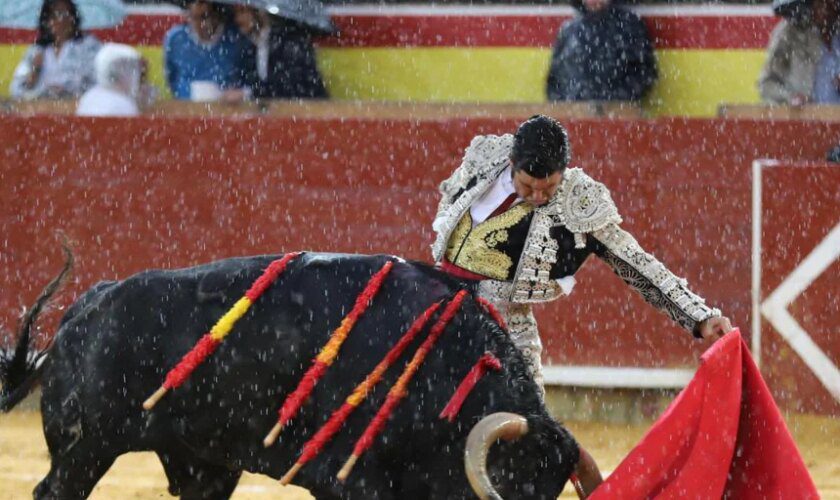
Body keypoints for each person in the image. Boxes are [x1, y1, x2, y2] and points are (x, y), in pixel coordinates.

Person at [431, 115, 732, 392]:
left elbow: (635, 262)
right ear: (512, 163)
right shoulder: (485, 161)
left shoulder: (577, 201)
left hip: (504, 327)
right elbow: (447, 208)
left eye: (548, 188)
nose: (537, 196)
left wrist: (699, 316)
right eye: (527, 186)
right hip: (440, 308)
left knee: (524, 426)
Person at [546, 0, 657, 102]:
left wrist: (616, 101)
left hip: (618, 116)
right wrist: (564, 106)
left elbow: (644, 72)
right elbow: (554, 80)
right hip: (574, 117)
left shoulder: (629, 26)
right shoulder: (569, 30)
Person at [229, 6, 328, 100]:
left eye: (242, 12)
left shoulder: (289, 41)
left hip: (308, 110)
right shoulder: (248, 47)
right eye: (235, 13)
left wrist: (248, 93)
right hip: (274, 112)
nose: (238, 19)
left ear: (260, 12)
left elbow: (289, 86)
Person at [9, 0, 101, 100]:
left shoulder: (89, 46)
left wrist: (68, 91)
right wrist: (35, 73)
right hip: (41, 109)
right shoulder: (36, 50)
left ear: (74, 17)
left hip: (78, 108)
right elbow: (15, 90)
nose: (63, 19)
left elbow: (100, 83)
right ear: (46, 21)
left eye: (67, 14)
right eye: (55, 15)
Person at [163, 0, 253, 100]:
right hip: (187, 110)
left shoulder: (236, 39)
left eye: (204, 17)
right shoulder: (175, 39)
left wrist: (242, 93)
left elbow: (250, 83)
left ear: (217, 15)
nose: (200, 24)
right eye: (194, 17)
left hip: (227, 110)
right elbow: (172, 81)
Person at [758, 0, 823, 105]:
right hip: (804, 117)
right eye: (820, 4)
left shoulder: (834, 34)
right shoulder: (786, 34)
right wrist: (791, 97)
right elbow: (766, 85)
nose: (824, 9)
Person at [77, 43, 143, 117]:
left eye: (133, 67)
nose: (135, 74)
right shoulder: (123, 104)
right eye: (128, 67)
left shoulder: (89, 96)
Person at [811, 0, 840, 103]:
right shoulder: (804, 43)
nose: (824, 11)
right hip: (813, 115)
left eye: (828, 6)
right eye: (819, 6)